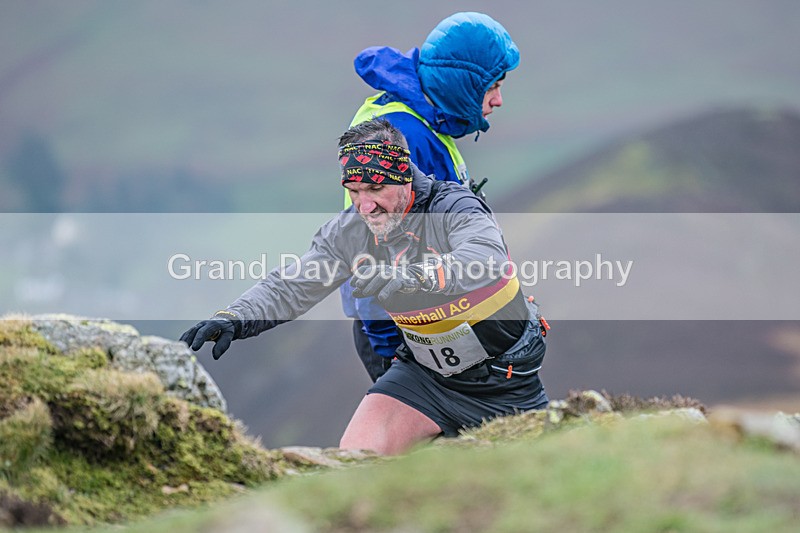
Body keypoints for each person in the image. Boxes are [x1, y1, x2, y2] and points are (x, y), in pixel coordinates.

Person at [180, 119, 548, 455]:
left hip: (505, 379)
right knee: (355, 460)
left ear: (404, 176)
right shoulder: (352, 229)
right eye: (354, 190)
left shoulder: (451, 205)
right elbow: (292, 285)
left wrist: (410, 277)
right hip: (427, 378)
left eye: (375, 187)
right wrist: (236, 318)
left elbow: (486, 257)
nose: (365, 205)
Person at [342, 11, 521, 382]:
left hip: (429, 318)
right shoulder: (403, 136)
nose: (499, 100)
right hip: (403, 330)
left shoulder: (422, 121)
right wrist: (393, 356)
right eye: (492, 86)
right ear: (463, 83)